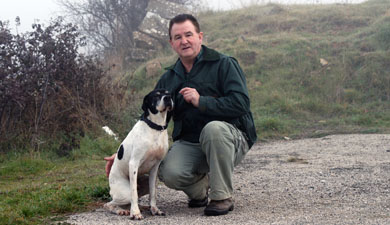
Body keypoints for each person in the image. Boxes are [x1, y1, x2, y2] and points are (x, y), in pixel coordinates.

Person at [105, 14, 257, 216]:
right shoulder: (168, 78)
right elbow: (150, 118)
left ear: (200, 36)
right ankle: (200, 190)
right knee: (169, 171)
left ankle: (221, 197)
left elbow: (242, 103)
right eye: (177, 37)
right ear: (171, 43)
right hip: (191, 142)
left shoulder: (224, 63)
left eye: (188, 34)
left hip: (230, 138)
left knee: (213, 129)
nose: (184, 41)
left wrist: (201, 101)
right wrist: (125, 151)